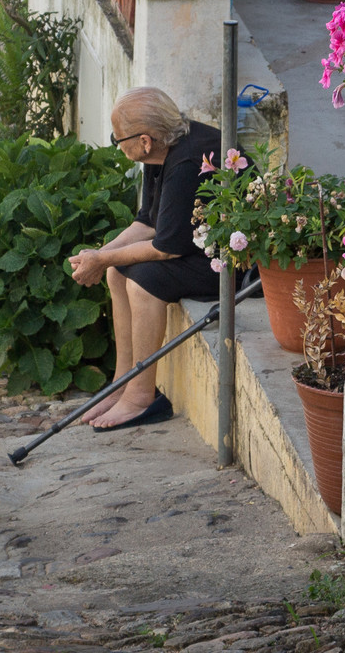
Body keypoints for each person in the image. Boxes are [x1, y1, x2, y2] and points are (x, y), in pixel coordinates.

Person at [67, 86, 231, 431]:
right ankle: (124, 380)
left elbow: (165, 247)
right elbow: (147, 222)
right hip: (195, 246)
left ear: (144, 140)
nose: (116, 142)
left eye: (117, 138)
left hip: (228, 260)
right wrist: (102, 255)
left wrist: (103, 258)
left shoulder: (185, 161)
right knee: (117, 272)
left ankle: (141, 397)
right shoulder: (160, 149)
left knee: (144, 283)